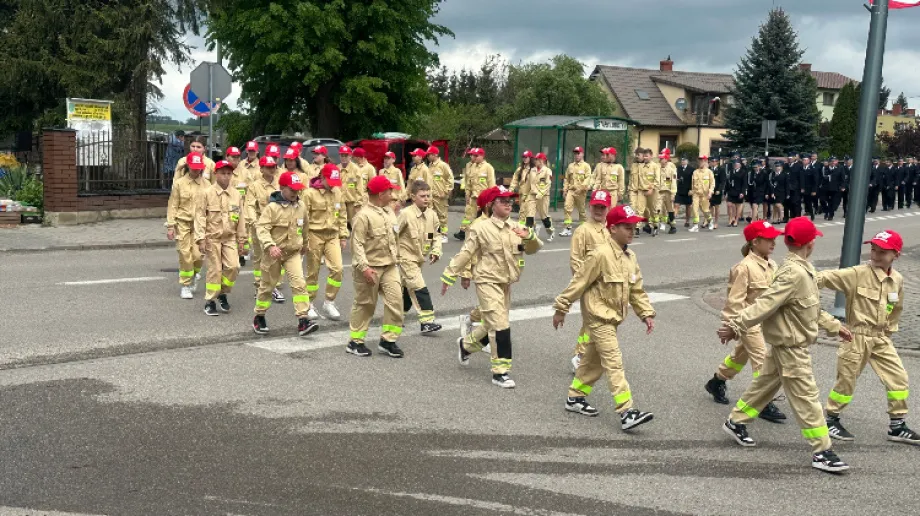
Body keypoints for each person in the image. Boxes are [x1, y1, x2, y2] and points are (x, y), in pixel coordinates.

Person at [718, 217, 853, 474]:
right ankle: (822, 450)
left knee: (764, 385)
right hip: (791, 347)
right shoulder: (793, 273)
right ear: (810, 243)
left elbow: (809, 307)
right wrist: (736, 326)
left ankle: (736, 421)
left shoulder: (801, 269)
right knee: (807, 398)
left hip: (787, 344)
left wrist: (835, 326)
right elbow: (765, 303)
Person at [553, 204, 656, 431]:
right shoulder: (600, 254)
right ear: (612, 229)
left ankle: (575, 397)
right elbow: (578, 282)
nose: (632, 231)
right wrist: (561, 308)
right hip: (598, 317)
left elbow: (636, 289)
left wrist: (646, 313)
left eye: (634, 227)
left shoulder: (630, 257)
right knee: (614, 362)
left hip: (613, 318)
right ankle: (627, 411)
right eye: (626, 227)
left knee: (593, 361)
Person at [815, 230, 919, 445]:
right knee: (847, 381)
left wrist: (889, 331)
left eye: (882, 252)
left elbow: (896, 307)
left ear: (896, 255)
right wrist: (800, 284)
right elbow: (822, 278)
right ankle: (831, 419)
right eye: (873, 249)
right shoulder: (858, 273)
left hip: (880, 337)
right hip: (857, 336)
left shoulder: (897, 280)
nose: (875, 255)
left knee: (898, 378)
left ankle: (897, 426)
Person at [441, 186, 543, 388]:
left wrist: (529, 236)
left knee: (491, 324)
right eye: (502, 200)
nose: (508, 203)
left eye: (510, 200)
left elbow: (533, 249)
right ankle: (500, 371)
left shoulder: (516, 227)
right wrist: (449, 275)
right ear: (491, 205)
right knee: (500, 325)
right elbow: (466, 253)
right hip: (487, 281)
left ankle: (466, 346)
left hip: (505, 282)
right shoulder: (480, 228)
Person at [704, 220, 787, 422]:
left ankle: (717, 381)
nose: (774, 242)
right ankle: (764, 401)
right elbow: (734, 302)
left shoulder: (771, 265)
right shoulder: (743, 268)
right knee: (762, 359)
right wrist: (732, 327)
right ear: (755, 242)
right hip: (748, 322)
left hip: (765, 321)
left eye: (774, 238)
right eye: (769, 239)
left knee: (740, 355)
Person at [251, 171, 318, 337]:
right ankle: (259, 316)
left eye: (298, 190)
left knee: (299, 283)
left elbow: (305, 227)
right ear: (282, 188)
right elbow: (262, 228)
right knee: (267, 287)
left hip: (292, 253)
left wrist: (305, 243)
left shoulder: (301, 206)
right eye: (292, 189)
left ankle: (303, 319)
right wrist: (270, 246)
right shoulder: (272, 208)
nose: (296, 193)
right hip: (274, 254)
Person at [347, 175, 405, 358]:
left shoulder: (388, 212)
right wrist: (364, 267)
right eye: (390, 190)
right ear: (381, 194)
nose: (392, 193)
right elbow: (357, 245)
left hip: (389, 266)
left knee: (396, 301)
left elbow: (394, 239)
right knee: (366, 305)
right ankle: (355, 342)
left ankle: (388, 341)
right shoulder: (363, 216)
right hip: (369, 268)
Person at [568, 190, 614, 374]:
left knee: (602, 321)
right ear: (589, 206)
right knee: (591, 321)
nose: (599, 210)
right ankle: (579, 356)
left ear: (608, 208)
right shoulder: (583, 231)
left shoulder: (612, 228)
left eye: (602, 207)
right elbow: (575, 260)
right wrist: (585, 282)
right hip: (591, 285)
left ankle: (590, 354)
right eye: (596, 206)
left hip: (609, 285)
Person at [195, 160, 248, 316]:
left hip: (230, 238)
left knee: (233, 267)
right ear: (215, 174)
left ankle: (222, 293)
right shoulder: (206, 193)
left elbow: (241, 219)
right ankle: (210, 301)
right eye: (222, 173)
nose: (226, 177)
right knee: (215, 270)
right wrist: (200, 239)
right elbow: (200, 217)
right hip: (212, 238)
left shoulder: (236, 194)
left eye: (228, 173)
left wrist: (242, 241)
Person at [302, 163, 349, 321]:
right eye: (331, 181)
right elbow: (302, 218)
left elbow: (342, 215)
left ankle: (329, 302)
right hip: (314, 235)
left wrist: (343, 236)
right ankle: (308, 303)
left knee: (338, 269)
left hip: (332, 235)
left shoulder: (337, 192)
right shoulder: (309, 194)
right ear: (322, 177)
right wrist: (303, 239)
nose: (333, 186)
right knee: (312, 272)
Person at [398, 181, 444, 334]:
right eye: (422, 196)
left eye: (428, 196)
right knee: (418, 286)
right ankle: (427, 321)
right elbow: (393, 234)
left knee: (406, 289)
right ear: (413, 197)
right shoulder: (406, 214)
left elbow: (437, 235)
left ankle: (397, 317)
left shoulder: (432, 215)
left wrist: (436, 250)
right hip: (406, 257)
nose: (426, 199)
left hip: (420, 258)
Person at [166, 152, 209, 298]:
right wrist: (171, 226)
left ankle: (195, 274)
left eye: (199, 168)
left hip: (200, 225)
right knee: (185, 254)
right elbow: (173, 205)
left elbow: (211, 206)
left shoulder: (207, 184)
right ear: (188, 166)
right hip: (182, 223)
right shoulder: (179, 184)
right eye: (193, 167)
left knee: (198, 255)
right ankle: (185, 285)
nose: (196, 170)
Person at [245, 156, 285, 304]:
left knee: (276, 257)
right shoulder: (254, 186)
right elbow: (249, 205)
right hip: (260, 226)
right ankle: (259, 286)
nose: (272, 169)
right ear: (261, 169)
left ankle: (273, 286)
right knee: (260, 257)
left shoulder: (280, 185)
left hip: (278, 226)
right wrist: (254, 223)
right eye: (268, 167)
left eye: (274, 166)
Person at [456, 148, 496, 240]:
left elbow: (491, 184)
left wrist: (491, 198)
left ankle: (488, 235)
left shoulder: (488, 167)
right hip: (474, 196)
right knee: (469, 215)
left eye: (476, 155)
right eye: (473, 155)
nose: (473, 157)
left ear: (482, 156)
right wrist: (467, 193)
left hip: (484, 197)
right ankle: (465, 233)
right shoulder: (472, 166)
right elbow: (469, 182)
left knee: (485, 217)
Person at [560, 146, 592, 237]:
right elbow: (566, 178)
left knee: (581, 210)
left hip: (581, 191)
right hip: (571, 190)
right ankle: (567, 228)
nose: (576, 155)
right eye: (575, 153)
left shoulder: (586, 166)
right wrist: (565, 190)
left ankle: (584, 228)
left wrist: (582, 188)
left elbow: (588, 178)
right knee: (567, 207)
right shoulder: (570, 166)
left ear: (582, 154)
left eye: (578, 153)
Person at [426, 146, 454, 243]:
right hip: (431, 195)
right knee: (430, 216)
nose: (428, 156)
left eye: (429, 154)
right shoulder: (430, 165)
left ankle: (444, 235)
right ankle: (432, 234)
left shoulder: (443, 165)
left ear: (435, 154)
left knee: (442, 216)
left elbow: (450, 179)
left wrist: (446, 191)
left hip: (440, 196)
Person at [633, 148, 661, 236]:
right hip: (642, 191)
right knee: (639, 209)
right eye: (644, 156)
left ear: (651, 156)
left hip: (652, 192)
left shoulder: (655, 166)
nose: (645, 157)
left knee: (653, 210)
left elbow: (657, 180)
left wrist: (651, 189)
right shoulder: (640, 166)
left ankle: (656, 226)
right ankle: (637, 228)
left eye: (647, 156)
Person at [528, 152, 555, 241]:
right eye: (535, 159)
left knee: (543, 216)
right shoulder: (532, 170)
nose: (535, 161)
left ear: (541, 160)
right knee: (530, 214)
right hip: (533, 195)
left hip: (544, 196)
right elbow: (531, 183)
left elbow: (548, 184)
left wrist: (541, 193)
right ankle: (530, 234)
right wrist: (536, 192)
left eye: (537, 159)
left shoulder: (547, 171)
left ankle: (551, 231)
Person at [339, 145, 365, 229]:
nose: (343, 157)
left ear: (350, 156)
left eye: (346, 155)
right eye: (342, 155)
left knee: (354, 225)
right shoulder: (336, 168)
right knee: (339, 224)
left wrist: (358, 203)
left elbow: (359, 188)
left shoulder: (355, 169)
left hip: (352, 203)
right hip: (339, 202)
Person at [689, 155, 715, 232]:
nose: (700, 162)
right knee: (694, 209)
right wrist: (692, 191)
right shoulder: (695, 172)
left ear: (705, 162)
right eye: (699, 161)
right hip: (696, 194)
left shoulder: (709, 172)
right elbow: (693, 184)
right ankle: (695, 225)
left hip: (705, 195)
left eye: (702, 161)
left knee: (705, 210)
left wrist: (710, 193)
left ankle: (710, 222)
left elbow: (712, 184)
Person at [510, 150, 535, 226]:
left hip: (531, 195)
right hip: (522, 194)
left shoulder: (534, 170)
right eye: (523, 157)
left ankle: (525, 229)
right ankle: (530, 227)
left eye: (526, 157)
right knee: (524, 212)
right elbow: (514, 180)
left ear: (530, 158)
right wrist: (510, 190)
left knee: (525, 212)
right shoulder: (520, 169)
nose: (524, 159)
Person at [657, 149, 678, 234]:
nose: (660, 160)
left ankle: (673, 226)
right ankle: (655, 225)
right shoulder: (657, 167)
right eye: (660, 158)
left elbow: (673, 181)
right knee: (658, 208)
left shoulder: (671, 168)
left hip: (668, 192)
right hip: (659, 191)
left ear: (666, 158)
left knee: (670, 209)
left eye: (662, 158)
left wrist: (673, 193)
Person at [675, 156, 694, 228]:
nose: (683, 161)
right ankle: (673, 219)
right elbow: (674, 176)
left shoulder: (691, 169)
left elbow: (693, 180)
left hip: (688, 190)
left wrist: (692, 189)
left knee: (688, 207)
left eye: (684, 160)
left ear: (687, 161)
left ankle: (687, 221)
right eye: (682, 160)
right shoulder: (678, 168)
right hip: (679, 190)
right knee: (676, 205)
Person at [726, 160, 745, 227]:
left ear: (740, 165)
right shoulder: (731, 171)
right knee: (729, 205)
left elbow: (744, 183)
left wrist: (742, 192)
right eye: (735, 164)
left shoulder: (743, 172)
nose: (736, 165)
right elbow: (728, 182)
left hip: (739, 191)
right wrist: (726, 191)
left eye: (737, 164)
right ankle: (731, 218)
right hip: (731, 191)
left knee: (738, 206)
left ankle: (736, 220)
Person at [784, 152, 802, 219]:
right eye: (789, 158)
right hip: (786, 187)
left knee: (796, 202)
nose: (790, 159)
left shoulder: (799, 166)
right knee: (787, 202)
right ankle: (786, 217)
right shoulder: (785, 166)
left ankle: (797, 216)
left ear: (795, 158)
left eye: (791, 158)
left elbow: (801, 177)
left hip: (796, 187)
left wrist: (802, 187)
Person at [710, 156, 726, 230]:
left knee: (716, 207)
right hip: (710, 190)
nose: (713, 163)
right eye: (712, 161)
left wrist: (719, 190)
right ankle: (709, 221)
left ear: (717, 162)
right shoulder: (709, 169)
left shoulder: (721, 170)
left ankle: (716, 222)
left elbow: (723, 181)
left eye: (714, 161)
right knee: (709, 206)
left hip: (717, 190)